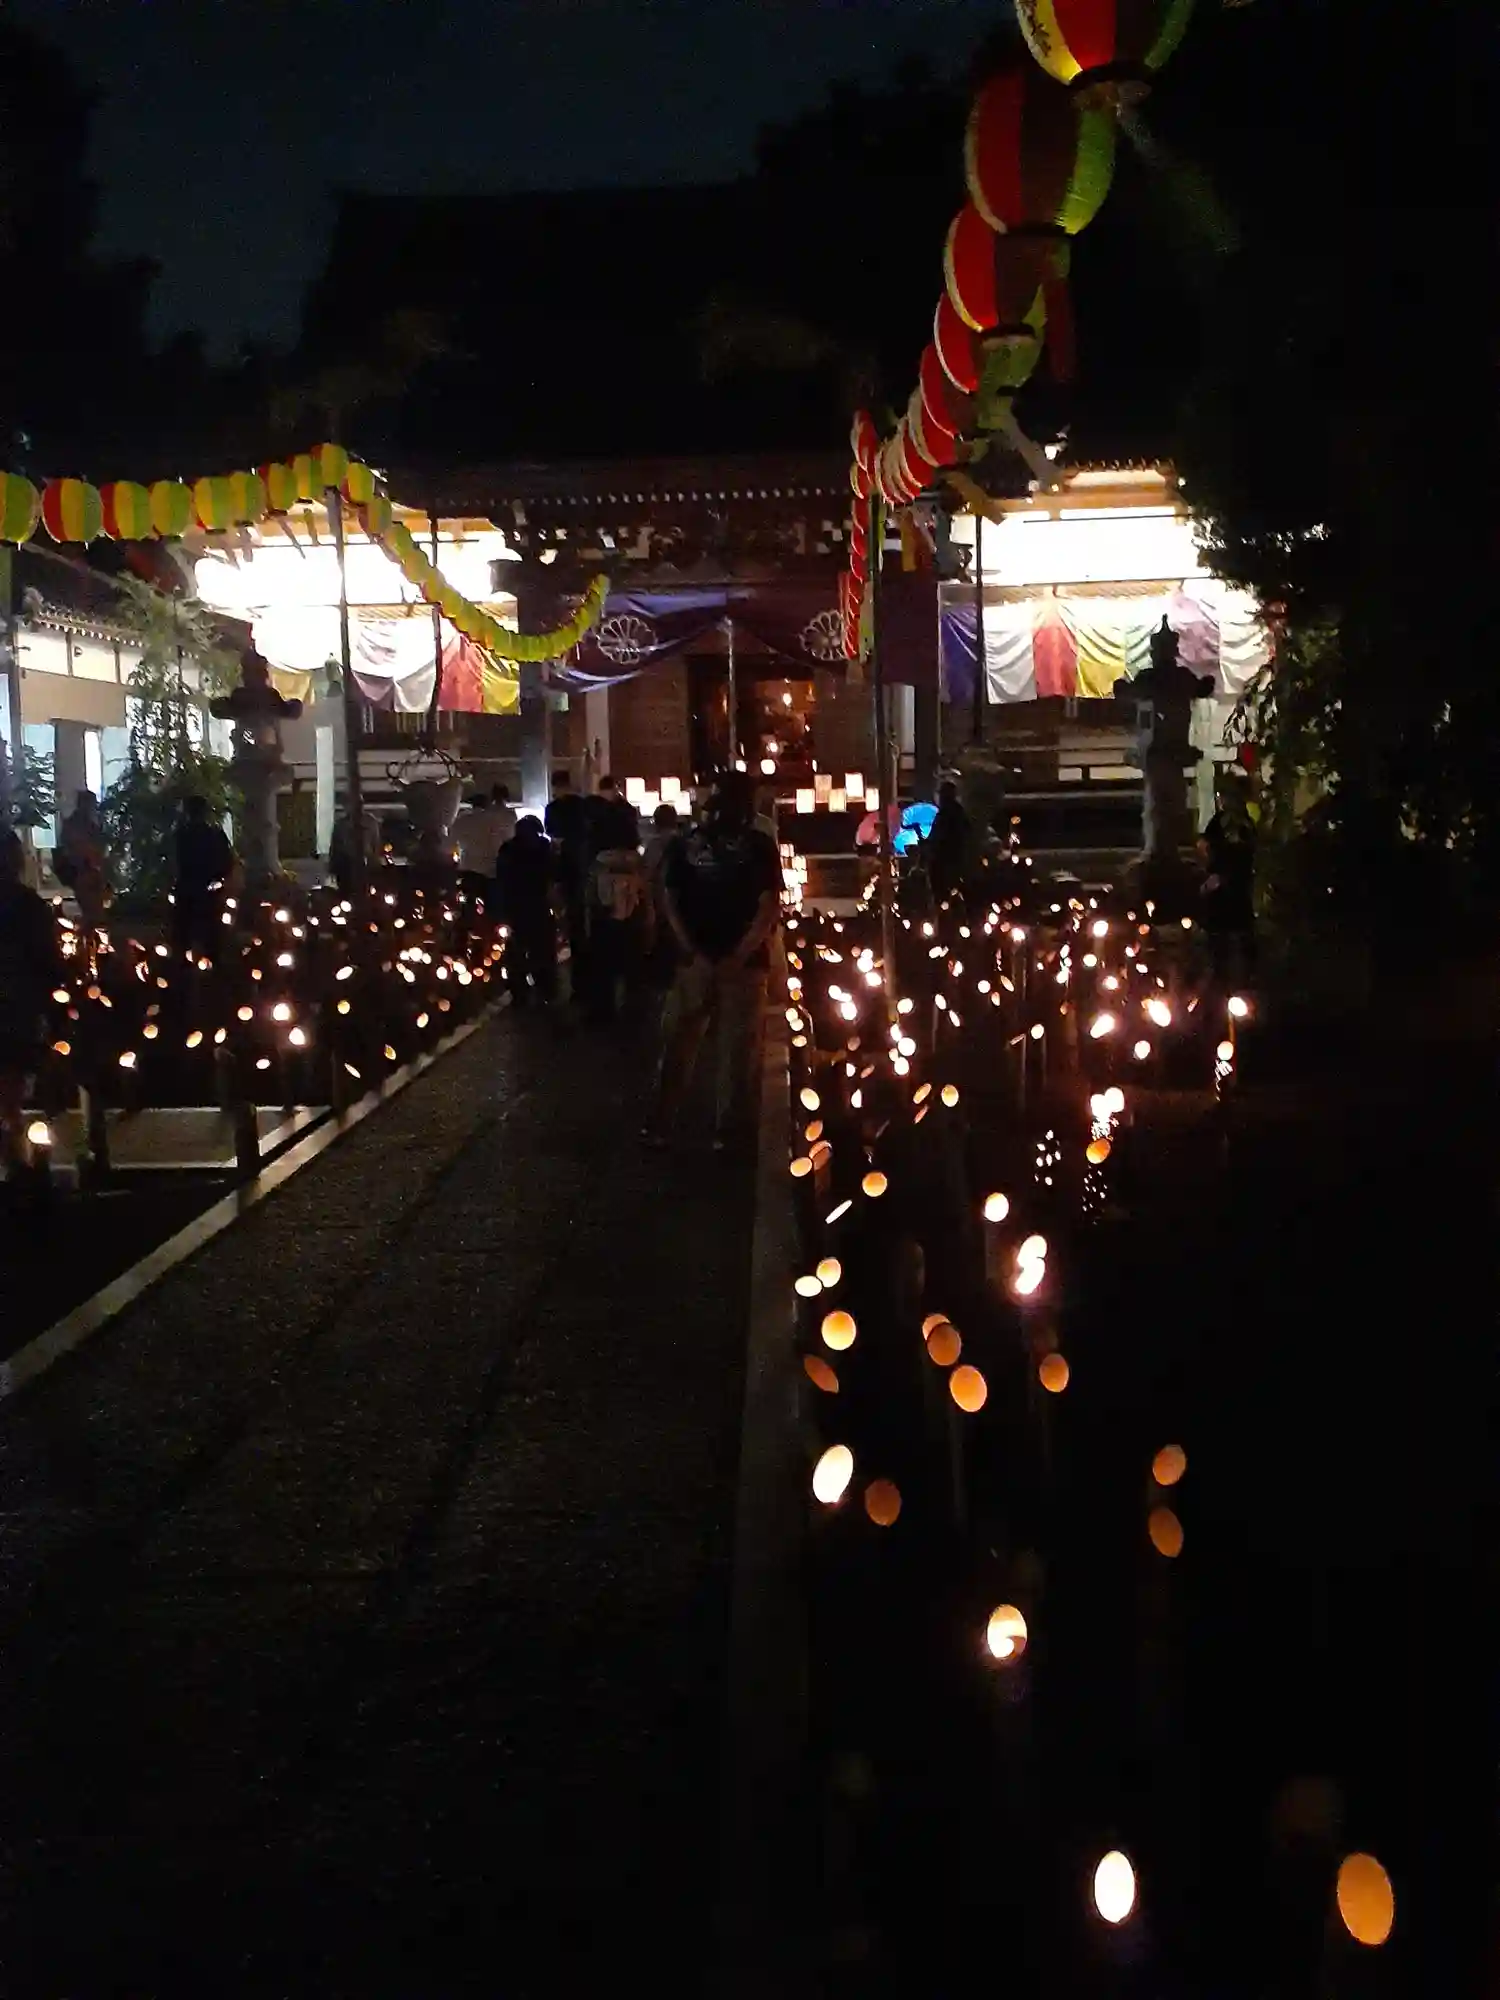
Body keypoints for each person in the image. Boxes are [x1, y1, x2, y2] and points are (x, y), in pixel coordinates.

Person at [646, 769, 782, 1150]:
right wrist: (741, 953)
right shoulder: (758, 846)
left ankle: (661, 1122)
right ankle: (728, 1131)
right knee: (738, 1052)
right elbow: (768, 906)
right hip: (743, 964)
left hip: (695, 960)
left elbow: (669, 900)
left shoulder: (685, 845)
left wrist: (689, 947)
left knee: (679, 1042)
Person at [0, 828, 60, 1174]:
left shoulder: (28, 906)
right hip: (17, 1006)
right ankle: (17, 1163)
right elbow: (46, 959)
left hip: (17, 1003)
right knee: (12, 1085)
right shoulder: (28, 906)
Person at [493, 814, 557, 1008]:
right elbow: (552, 875)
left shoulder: (507, 849)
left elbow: (501, 879)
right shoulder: (543, 848)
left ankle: (519, 991)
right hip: (538, 905)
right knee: (543, 950)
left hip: (514, 906)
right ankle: (546, 989)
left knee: (516, 951)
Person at [172, 795, 234, 962]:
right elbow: (227, 862)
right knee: (210, 935)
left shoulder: (182, 835)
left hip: (190, 890)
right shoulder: (213, 835)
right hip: (206, 892)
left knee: (186, 936)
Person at [544, 769, 590, 975]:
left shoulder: (553, 808)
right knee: (580, 906)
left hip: (564, 863)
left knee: (567, 907)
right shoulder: (582, 805)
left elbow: (550, 832)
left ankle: (570, 944)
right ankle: (582, 948)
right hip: (582, 861)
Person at [56, 788, 111, 929]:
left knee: (93, 908)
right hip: (81, 870)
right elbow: (74, 847)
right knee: (91, 908)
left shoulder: (88, 824)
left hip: (87, 869)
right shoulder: (77, 825)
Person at [454, 784, 515, 900]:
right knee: (491, 902)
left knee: (468, 899)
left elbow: (450, 843)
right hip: (489, 871)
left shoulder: (461, 819)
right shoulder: (493, 819)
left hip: (467, 868)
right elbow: (499, 843)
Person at [924, 780, 971, 904]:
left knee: (941, 892)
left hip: (946, 861)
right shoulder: (957, 812)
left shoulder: (947, 813)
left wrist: (929, 844)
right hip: (954, 860)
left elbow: (940, 836)